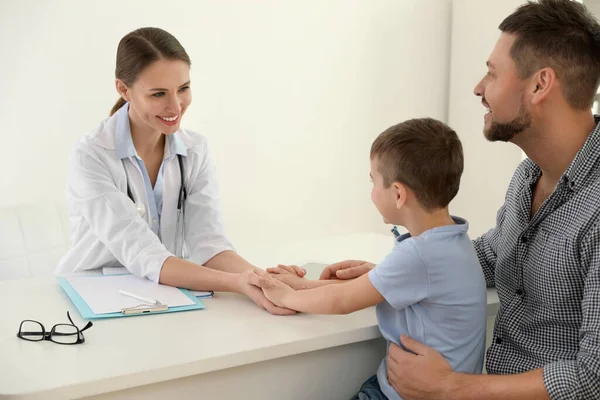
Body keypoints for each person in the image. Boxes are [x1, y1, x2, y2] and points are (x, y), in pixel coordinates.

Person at [275, 0, 600, 397]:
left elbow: (593, 377)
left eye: (492, 74)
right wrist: (390, 276)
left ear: (539, 85)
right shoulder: (528, 176)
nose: (479, 87)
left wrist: (453, 387)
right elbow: (489, 258)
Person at [54, 27, 301, 315]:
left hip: (163, 293)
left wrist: (263, 279)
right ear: (123, 89)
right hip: (93, 297)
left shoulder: (195, 150)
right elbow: (146, 254)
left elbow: (209, 243)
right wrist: (240, 283)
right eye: (158, 94)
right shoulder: (92, 156)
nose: (175, 106)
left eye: (183, 89)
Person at [259, 118, 487, 400]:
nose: (371, 191)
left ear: (399, 194)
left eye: (374, 181)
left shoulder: (419, 255)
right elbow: (361, 290)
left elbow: (342, 301)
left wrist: (286, 297)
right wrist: (299, 284)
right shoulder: (455, 240)